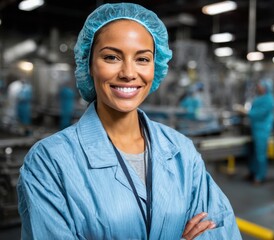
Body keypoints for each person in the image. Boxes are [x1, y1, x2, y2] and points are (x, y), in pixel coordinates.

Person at [17, 3, 242, 240]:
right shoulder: (49, 162)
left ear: (156, 66)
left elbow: (221, 231)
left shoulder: (180, 151)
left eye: (142, 59)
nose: (128, 72)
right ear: (89, 64)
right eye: (112, 57)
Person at [236, 78, 274, 185]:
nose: (258, 87)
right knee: (252, 153)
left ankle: (260, 176)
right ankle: (253, 172)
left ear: (265, 88)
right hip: (255, 129)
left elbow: (259, 114)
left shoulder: (269, 100)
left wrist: (245, 112)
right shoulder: (259, 98)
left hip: (262, 130)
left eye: (260, 86)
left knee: (260, 154)